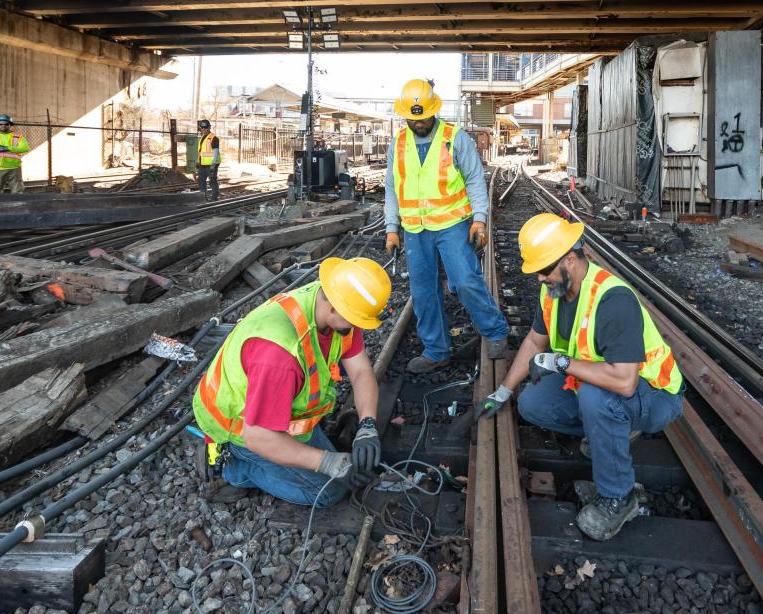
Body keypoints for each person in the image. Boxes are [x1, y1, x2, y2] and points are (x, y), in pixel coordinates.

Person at [476, 214, 684, 541]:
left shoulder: (613, 300)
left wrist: (562, 362)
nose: (540, 279)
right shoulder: (554, 293)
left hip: (654, 396)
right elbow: (533, 341)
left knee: (596, 397)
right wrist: (503, 391)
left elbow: (625, 382)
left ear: (570, 260)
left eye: (544, 270)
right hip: (602, 385)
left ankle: (619, 496)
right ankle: (609, 432)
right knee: (531, 402)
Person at [193, 257, 390, 507]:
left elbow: (361, 370)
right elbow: (258, 437)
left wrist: (368, 425)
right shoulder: (281, 356)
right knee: (329, 492)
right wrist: (329, 463)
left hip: (284, 417)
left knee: (333, 463)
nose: (356, 327)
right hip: (242, 430)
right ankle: (234, 468)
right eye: (354, 320)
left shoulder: (331, 301)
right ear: (334, 308)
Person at [385, 78, 508, 373]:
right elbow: (392, 187)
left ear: (434, 111)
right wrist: (392, 227)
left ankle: (495, 331)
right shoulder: (399, 143)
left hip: (452, 224)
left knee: (465, 281)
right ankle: (436, 350)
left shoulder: (455, 137)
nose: (419, 123)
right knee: (423, 291)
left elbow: (476, 179)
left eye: (424, 117)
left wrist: (479, 220)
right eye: (413, 118)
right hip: (415, 230)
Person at [196, 119, 220, 201]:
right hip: (202, 164)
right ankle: (203, 198)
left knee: (212, 181)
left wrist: (213, 164)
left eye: (206, 127)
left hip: (211, 165)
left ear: (209, 127)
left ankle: (214, 199)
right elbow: (201, 152)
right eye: (202, 127)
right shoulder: (202, 137)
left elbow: (216, 152)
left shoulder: (213, 138)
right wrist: (198, 161)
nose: (204, 129)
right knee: (201, 180)